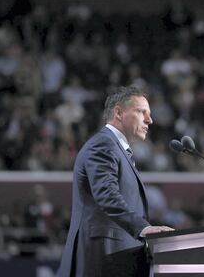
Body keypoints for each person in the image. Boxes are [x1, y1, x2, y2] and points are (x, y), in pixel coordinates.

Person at [56, 86, 174, 277]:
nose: (149, 120)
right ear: (118, 112)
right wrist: (143, 228)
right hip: (103, 257)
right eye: (141, 112)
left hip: (118, 257)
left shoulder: (116, 148)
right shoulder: (103, 144)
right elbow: (106, 194)